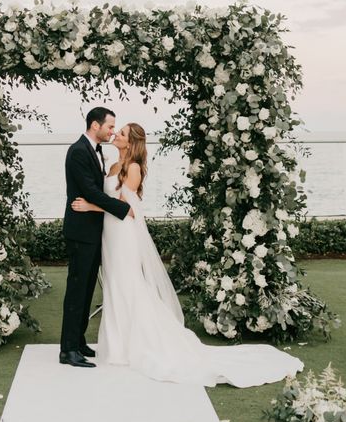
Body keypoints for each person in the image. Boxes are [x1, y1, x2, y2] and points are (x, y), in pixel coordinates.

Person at [71, 122, 304, 387]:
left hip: (123, 235)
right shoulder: (113, 165)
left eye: (121, 133)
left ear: (131, 142)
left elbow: (128, 210)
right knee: (114, 285)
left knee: (128, 284)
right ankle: (116, 344)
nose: (116, 134)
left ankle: (133, 345)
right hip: (109, 235)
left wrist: (91, 206)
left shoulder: (133, 168)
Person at [59, 106, 133, 368]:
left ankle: (78, 342)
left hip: (94, 232)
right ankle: (68, 350)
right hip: (81, 231)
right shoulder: (78, 151)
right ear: (95, 125)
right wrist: (124, 209)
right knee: (77, 290)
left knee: (88, 288)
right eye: (110, 126)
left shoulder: (95, 150)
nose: (112, 131)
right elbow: (90, 191)